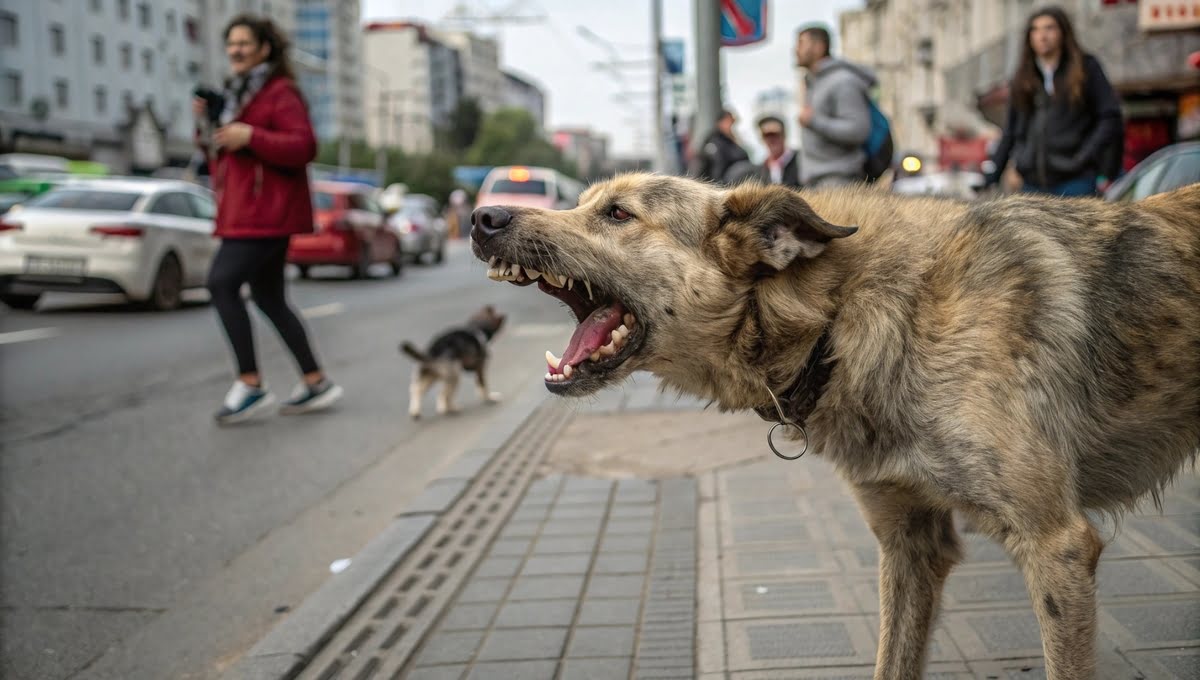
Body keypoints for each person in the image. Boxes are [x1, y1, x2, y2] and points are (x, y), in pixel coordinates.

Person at [195, 14, 342, 424]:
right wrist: (209, 123)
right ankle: (316, 381)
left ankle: (251, 384)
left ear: (265, 48)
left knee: (221, 283)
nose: (235, 51)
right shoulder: (237, 95)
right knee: (269, 297)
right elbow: (218, 156)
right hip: (244, 210)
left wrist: (251, 136)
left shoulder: (280, 92)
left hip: (266, 213)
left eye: (244, 43)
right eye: (231, 44)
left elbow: (304, 146)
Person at [984, 6, 1122, 196]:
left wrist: (1084, 157)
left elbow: (1110, 117)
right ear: (1029, 37)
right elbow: (1010, 131)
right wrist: (992, 175)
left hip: (1076, 180)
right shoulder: (1023, 77)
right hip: (1032, 184)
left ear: (1063, 33)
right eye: (1035, 29)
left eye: (1049, 28)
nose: (1042, 35)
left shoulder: (1086, 68)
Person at [793, 24, 876, 188]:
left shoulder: (843, 81)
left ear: (819, 47)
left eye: (801, 43)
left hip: (839, 183)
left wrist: (814, 121)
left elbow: (858, 130)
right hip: (817, 182)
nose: (796, 50)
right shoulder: (814, 81)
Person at [688, 108, 750, 184]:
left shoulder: (731, 141)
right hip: (721, 186)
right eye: (729, 122)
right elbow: (717, 168)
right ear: (720, 123)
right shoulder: (714, 141)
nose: (731, 125)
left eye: (733, 122)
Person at [756, 115, 802, 187]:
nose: (772, 140)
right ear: (762, 139)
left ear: (784, 135)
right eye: (767, 135)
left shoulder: (801, 160)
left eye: (775, 135)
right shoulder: (762, 169)